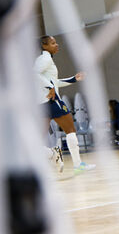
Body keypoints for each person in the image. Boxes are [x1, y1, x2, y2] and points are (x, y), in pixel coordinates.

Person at [35, 35, 96, 174]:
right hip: (53, 101)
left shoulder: (44, 59)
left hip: (42, 103)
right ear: (44, 46)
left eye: (56, 42)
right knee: (70, 130)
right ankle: (76, 165)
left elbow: (54, 82)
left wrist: (74, 79)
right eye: (52, 43)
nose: (56, 45)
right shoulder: (45, 59)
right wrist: (50, 87)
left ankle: (52, 154)